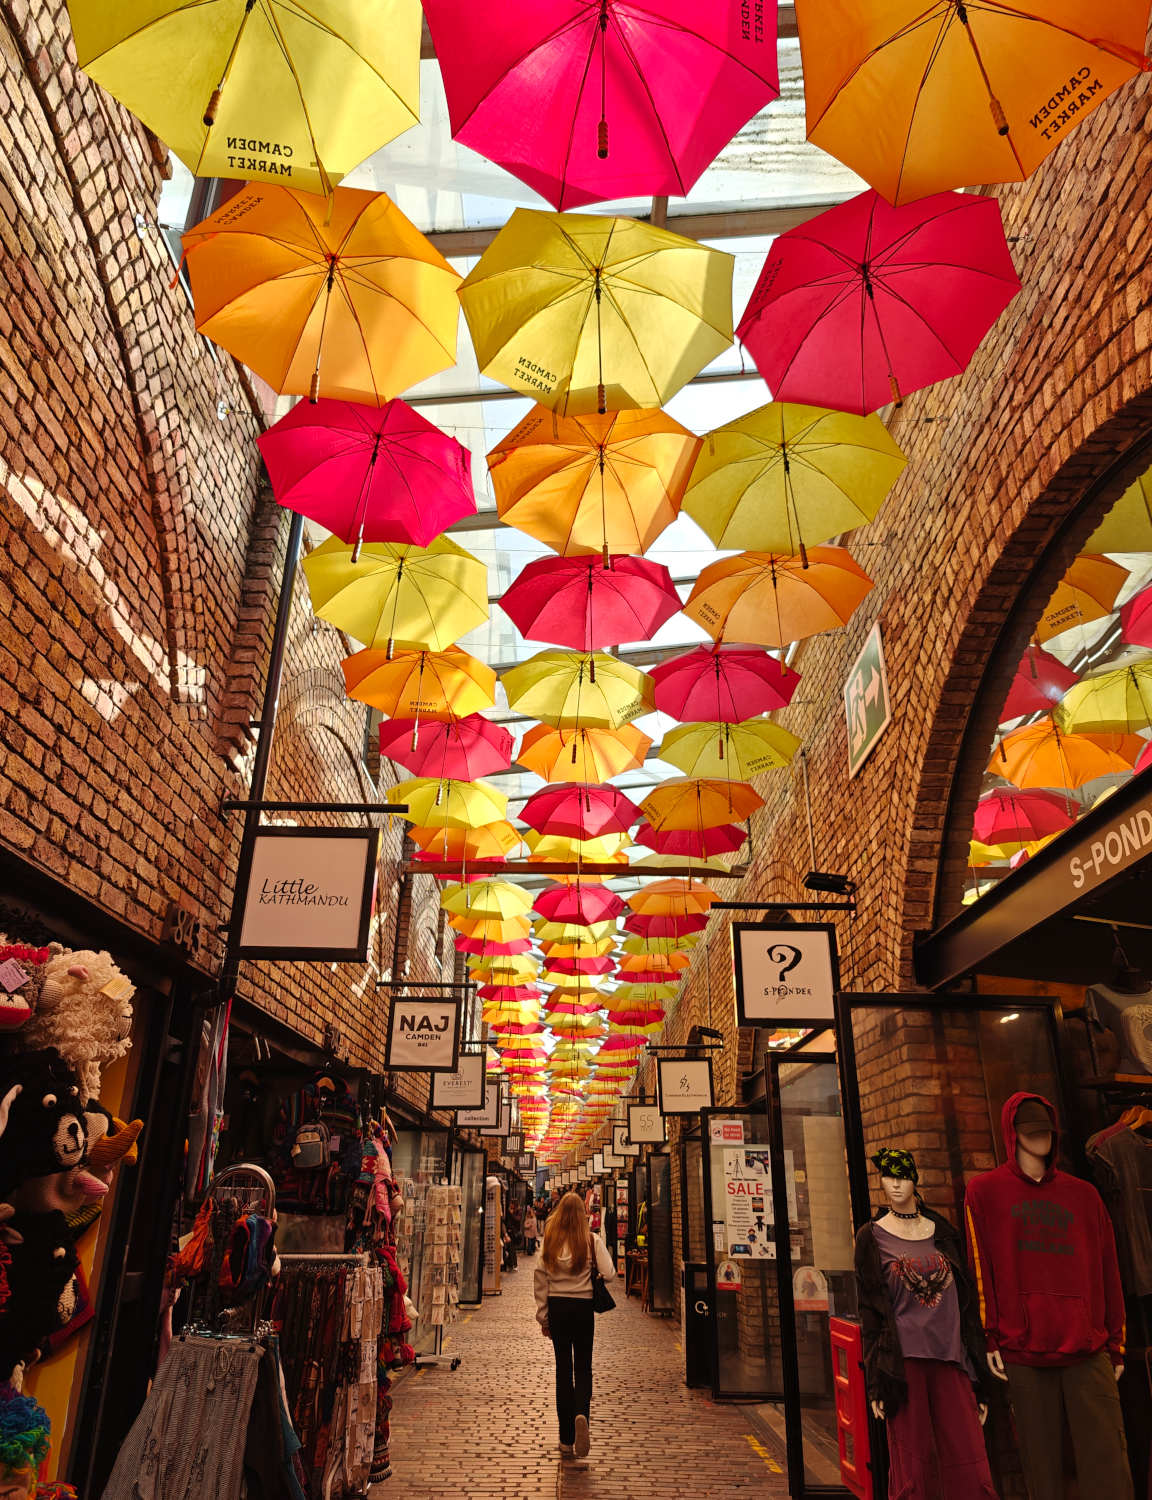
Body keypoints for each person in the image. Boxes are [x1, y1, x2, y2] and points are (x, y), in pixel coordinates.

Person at [534, 1191, 616, 1460]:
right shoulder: (591, 1241)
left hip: (558, 1308)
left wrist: (544, 1317)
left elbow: (540, 1280)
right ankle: (582, 1413)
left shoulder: (550, 1242)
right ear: (582, 1214)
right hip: (583, 1309)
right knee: (583, 1367)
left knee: (563, 1370)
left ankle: (566, 1438)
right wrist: (594, 1275)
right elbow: (610, 1273)